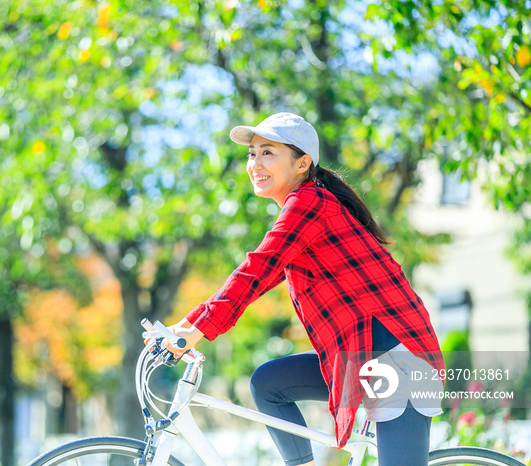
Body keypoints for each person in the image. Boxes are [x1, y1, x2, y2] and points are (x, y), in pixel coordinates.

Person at [165, 112, 445, 466]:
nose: (255, 163)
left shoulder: (310, 203)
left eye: (268, 152)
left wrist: (197, 328)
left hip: (399, 361)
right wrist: (186, 326)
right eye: (252, 154)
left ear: (302, 163)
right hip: (357, 356)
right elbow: (258, 277)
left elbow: (257, 269)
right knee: (268, 384)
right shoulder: (304, 208)